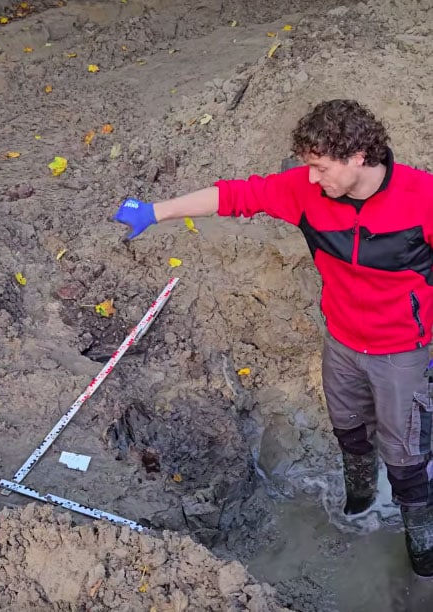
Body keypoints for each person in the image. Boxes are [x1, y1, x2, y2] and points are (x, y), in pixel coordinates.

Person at [113, 99, 433, 578]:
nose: (311, 178)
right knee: (349, 430)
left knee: (407, 455)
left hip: (404, 353)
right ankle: (361, 498)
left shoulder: (422, 197)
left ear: (359, 157)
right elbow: (235, 196)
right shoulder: (309, 193)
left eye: (320, 167)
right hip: (342, 342)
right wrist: (156, 211)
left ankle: (421, 539)